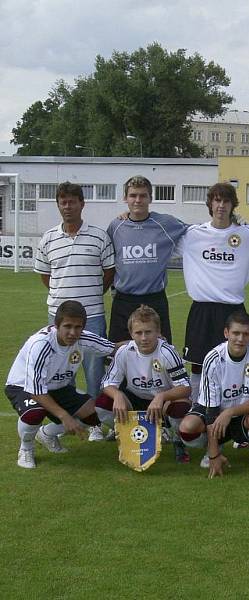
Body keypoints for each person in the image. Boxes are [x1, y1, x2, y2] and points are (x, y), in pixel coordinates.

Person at [34, 181, 115, 441]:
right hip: (57, 319)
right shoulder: (48, 238)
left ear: (82, 203)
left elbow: (109, 273)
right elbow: (46, 276)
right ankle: (64, 422)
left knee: (93, 371)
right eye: (63, 202)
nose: (67, 206)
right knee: (61, 373)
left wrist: (87, 298)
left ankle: (95, 425)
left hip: (92, 315)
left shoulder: (99, 236)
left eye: (72, 201)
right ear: (58, 205)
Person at [5, 301, 116, 468]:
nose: (73, 332)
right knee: (34, 413)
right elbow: (36, 390)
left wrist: (146, 342)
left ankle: (47, 434)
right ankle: (26, 449)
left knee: (93, 415)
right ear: (57, 325)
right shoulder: (41, 344)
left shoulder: (83, 338)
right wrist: (65, 416)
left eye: (78, 327)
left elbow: (113, 348)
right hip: (24, 386)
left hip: (57, 387)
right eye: (67, 326)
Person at [177, 182, 249, 401]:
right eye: (216, 200)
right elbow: (160, 235)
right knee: (198, 363)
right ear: (210, 204)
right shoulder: (193, 234)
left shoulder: (248, 235)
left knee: (236, 360)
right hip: (202, 309)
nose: (221, 205)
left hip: (232, 309)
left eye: (226, 201)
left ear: (233, 205)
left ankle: (233, 407)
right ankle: (197, 406)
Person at [178, 310, 249, 477]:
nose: (240, 339)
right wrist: (213, 455)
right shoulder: (213, 358)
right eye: (236, 333)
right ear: (226, 333)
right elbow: (211, 411)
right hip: (216, 412)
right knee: (187, 428)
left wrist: (230, 412)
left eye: (246, 334)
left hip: (245, 412)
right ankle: (214, 446)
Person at [95, 305, 192, 463]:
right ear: (132, 333)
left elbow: (186, 388)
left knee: (181, 408)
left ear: (158, 332)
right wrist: (117, 394)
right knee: (101, 406)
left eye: (148, 332)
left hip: (163, 402)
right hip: (136, 399)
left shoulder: (167, 353)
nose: (144, 338)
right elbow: (107, 382)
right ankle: (130, 433)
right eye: (138, 333)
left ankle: (176, 439)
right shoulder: (124, 352)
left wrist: (162, 397)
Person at [107, 175, 187, 344]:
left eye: (143, 195)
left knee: (160, 355)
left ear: (150, 198)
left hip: (154, 300)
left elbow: (199, 232)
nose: (138, 200)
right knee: (117, 354)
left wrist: (231, 223)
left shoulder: (166, 223)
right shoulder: (115, 226)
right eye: (133, 195)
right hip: (123, 301)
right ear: (125, 198)